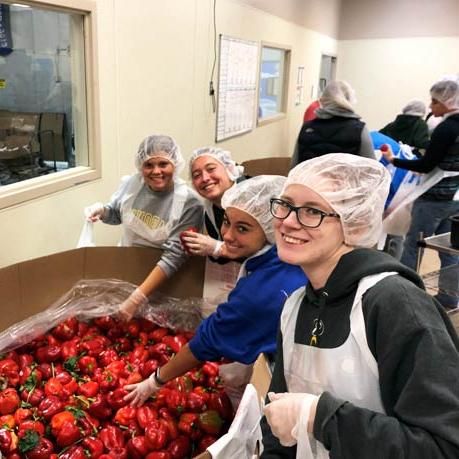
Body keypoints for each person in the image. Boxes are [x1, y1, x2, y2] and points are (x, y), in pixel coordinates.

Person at [261, 153, 459, 458]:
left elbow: (442, 446)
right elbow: (278, 419)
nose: (288, 221)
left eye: (312, 211)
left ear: (357, 222)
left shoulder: (395, 304)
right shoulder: (296, 306)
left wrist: (320, 417)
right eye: (285, 204)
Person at [123, 175, 308, 406]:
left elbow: (208, 341)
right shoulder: (286, 257)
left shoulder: (260, 294)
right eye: (227, 221)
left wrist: (154, 381)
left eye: (243, 228)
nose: (228, 235)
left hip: (292, 388)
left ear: (272, 229)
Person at [85, 134, 204, 319]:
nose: (156, 171)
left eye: (163, 164)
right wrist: (102, 211)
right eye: (149, 165)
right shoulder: (132, 185)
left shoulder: (189, 203)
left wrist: (136, 298)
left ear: (175, 164)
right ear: (141, 165)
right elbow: (118, 214)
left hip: (165, 281)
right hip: (127, 268)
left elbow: (174, 256)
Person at [382, 78, 459, 309]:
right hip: (455, 198)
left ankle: (407, 297)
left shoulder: (446, 128)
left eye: (435, 101)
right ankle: (449, 297)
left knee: (414, 245)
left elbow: (426, 165)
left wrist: (393, 160)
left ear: (448, 101)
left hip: (433, 198)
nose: (431, 106)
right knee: (448, 248)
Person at [181, 147, 245, 262]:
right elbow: (223, 259)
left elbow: (261, 254)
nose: (205, 178)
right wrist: (202, 247)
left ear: (229, 169)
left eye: (211, 169)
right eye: (196, 175)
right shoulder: (212, 208)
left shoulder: (251, 198)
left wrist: (217, 248)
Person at [291, 81, 375, 167]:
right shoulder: (359, 129)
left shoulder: (307, 128)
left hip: (308, 180)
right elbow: (372, 170)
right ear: (349, 100)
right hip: (344, 180)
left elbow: (294, 168)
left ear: (323, 99)